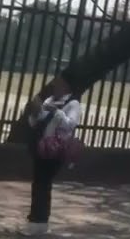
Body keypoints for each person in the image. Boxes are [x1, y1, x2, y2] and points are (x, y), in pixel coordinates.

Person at [21, 73, 82, 237]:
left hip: (56, 150)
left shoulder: (73, 104)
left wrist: (58, 112)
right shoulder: (49, 100)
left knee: (43, 183)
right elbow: (36, 122)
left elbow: (70, 125)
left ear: (67, 87)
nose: (55, 86)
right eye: (55, 83)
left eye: (59, 84)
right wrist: (34, 113)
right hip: (41, 148)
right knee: (39, 183)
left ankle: (38, 223)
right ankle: (37, 222)